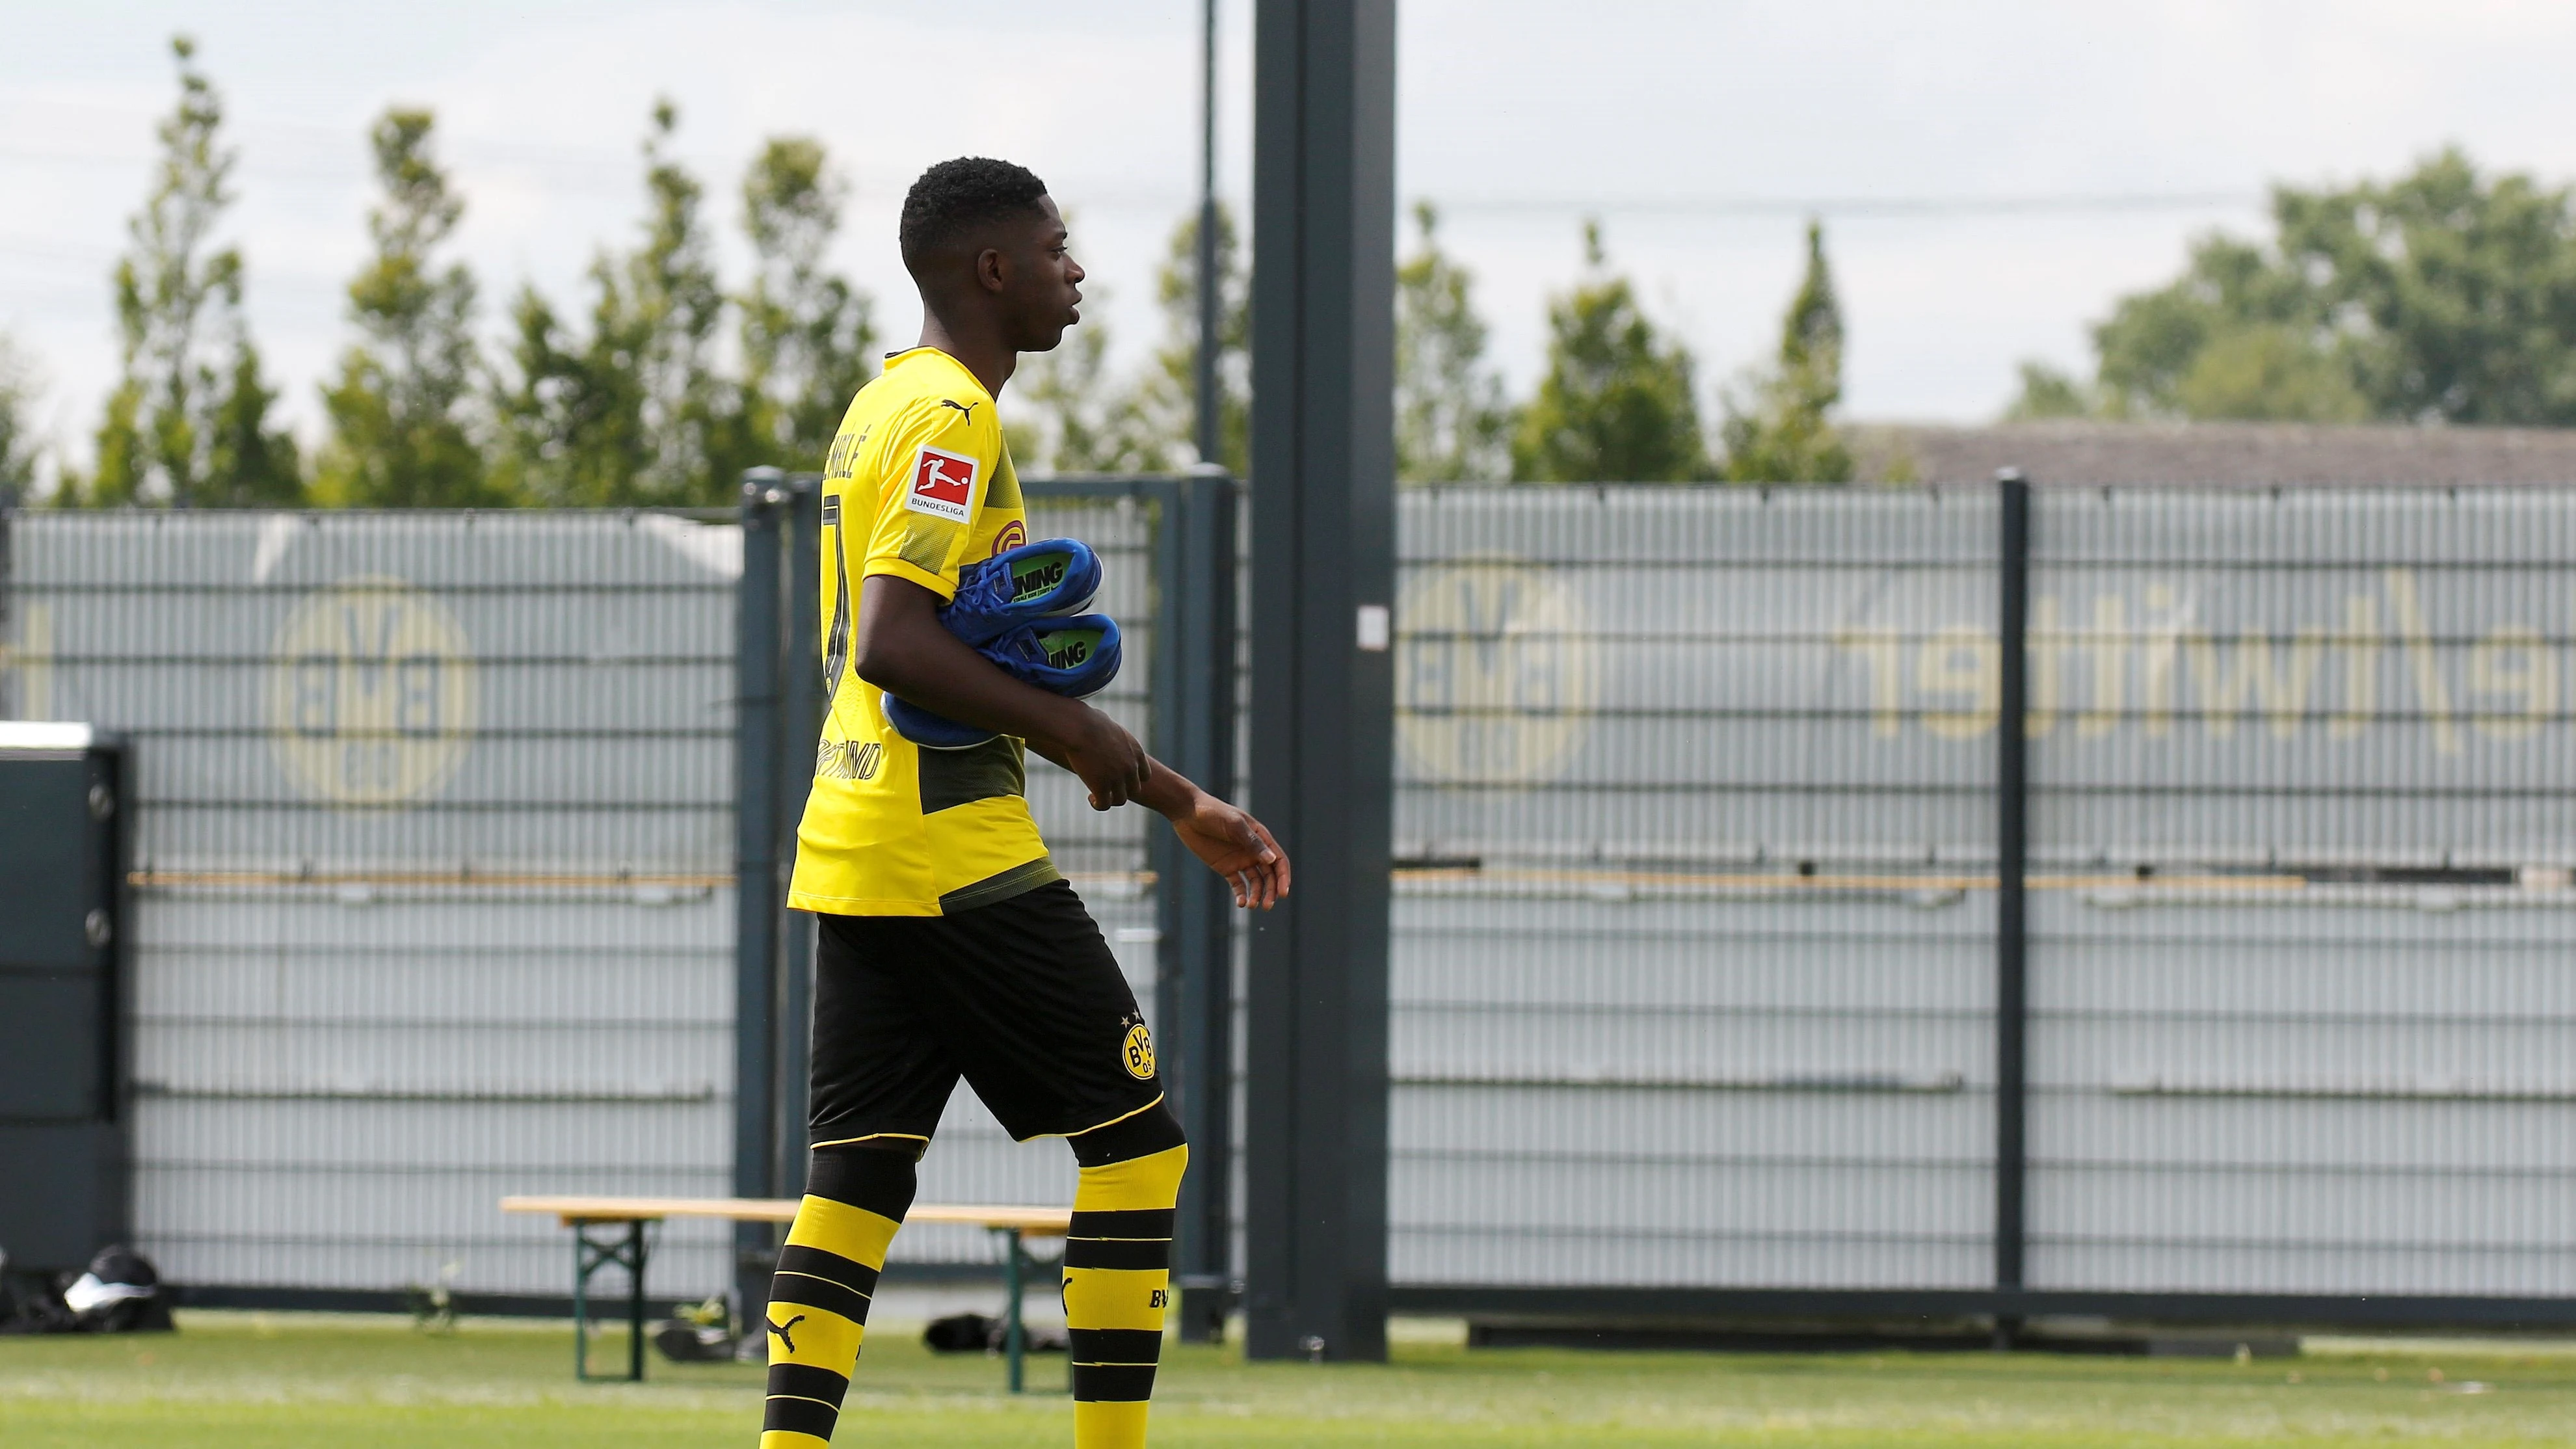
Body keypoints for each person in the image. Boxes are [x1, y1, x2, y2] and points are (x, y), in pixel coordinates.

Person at [757, 156, 1290, 1449]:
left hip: (852, 838)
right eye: (1057, 247)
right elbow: (894, 641)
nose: (1077, 269)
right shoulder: (950, 418)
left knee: (860, 1174)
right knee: (1138, 1150)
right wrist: (1130, 761)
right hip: (951, 845)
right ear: (992, 268)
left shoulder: (877, 407)